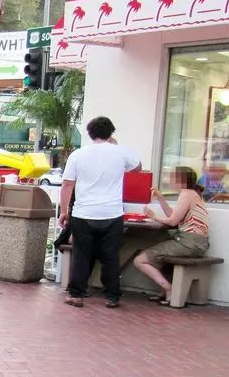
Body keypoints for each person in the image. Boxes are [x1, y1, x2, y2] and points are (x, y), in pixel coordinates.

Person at [59, 117, 142, 308]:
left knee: (81, 254)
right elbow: (137, 168)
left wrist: (64, 211)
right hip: (112, 213)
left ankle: (76, 294)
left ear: (89, 133)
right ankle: (112, 296)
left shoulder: (78, 155)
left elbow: (67, 185)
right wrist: (117, 148)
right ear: (111, 132)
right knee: (111, 256)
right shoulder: (121, 152)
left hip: (83, 213)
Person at [133, 167, 210, 304]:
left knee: (140, 260)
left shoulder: (187, 194)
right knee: (153, 255)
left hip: (188, 242)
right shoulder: (193, 194)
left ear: (181, 180)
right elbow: (174, 216)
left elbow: (173, 221)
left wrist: (154, 217)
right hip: (197, 242)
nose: (170, 181)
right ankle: (165, 289)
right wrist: (161, 199)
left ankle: (169, 289)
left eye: (172, 178)